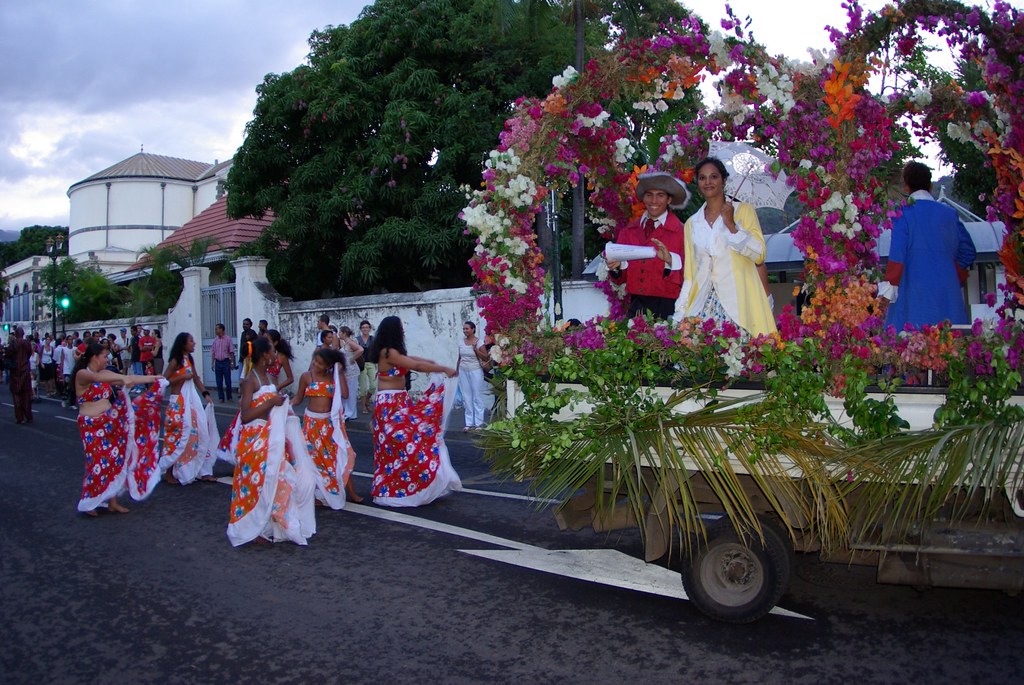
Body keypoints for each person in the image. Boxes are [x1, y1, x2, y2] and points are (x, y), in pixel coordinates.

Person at [227, 336, 317, 546]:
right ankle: (252, 528)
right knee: (256, 483)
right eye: (272, 352)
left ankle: (270, 524)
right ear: (264, 355)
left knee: (276, 480)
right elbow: (246, 415)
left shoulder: (268, 377)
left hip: (270, 437)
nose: (275, 355)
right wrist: (271, 403)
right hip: (254, 438)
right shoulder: (250, 381)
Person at [673, 156, 776, 336]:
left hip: (739, 303)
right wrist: (680, 312)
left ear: (724, 180)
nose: (708, 182)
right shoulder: (691, 223)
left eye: (714, 176)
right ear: (697, 183)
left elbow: (759, 254)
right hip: (702, 304)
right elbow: (690, 274)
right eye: (702, 178)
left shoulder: (743, 211)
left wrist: (732, 226)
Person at [369, 315, 461, 507]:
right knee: (403, 445)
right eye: (400, 327)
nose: (403, 330)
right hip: (389, 406)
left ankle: (411, 486)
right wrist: (443, 368)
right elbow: (415, 366)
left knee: (412, 441)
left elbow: (415, 360)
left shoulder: (395, 352)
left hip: (400, 402)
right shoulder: (387, 352)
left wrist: (433, 364)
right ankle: (394, 488)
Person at [879, 161, 977, 330]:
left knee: (910, 341)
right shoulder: (950, 214)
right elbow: (968, 251)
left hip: (913, 294)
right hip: (947, 294)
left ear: (906, 186)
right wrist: (951, 273)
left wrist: (887, 294)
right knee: (950, 341)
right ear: (930, 185)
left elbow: (897, 256)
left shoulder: (902, 213)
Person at [73, 341, 163, 516]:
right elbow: (97, 379)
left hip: (108, 422)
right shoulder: (82, 374)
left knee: (115, 459)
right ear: (94, 357)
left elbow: (129, 378)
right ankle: (90, 502)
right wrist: (122, 379)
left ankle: (112, 502)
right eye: (104, 356)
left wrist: (153, 378)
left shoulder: (104, 373)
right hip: (90, 426)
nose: (107, 360)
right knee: (96, 462)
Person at [606, 171, 689, 319]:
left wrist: (670, 260)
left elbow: (689, 276)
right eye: (649, 195)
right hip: (636, 306)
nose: (654, 200)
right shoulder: (629, 231)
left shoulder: (682, 232)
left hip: (669, 307)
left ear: (669, 199)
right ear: (643, 198)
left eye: (660, 195)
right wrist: (616, 267)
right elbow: (619, 279)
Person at [292, 345, 361, 506]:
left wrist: (340, 372)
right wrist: (284, 405)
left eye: (320, 363)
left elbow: (345, 394)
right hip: (311, 424)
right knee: (312, 459)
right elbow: (298, 398)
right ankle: (315, 493)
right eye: (315, 361)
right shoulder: (306, 376)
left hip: (329, 424)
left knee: (339, 455)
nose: (315, 365)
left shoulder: (333, 377)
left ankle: (351, 492)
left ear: (328, 366)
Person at [160, 332, 217, 485]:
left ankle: (198, 469)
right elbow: (164, 381)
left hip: (191, 402)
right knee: (178, 436)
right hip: (178, 402)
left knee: (199, 433)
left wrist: (205, 393)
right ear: (183, 344)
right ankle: (169, 471)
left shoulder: (189, 359)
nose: (194, 343)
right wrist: (181, 377)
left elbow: (196, 378)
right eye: (191, 341)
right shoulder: (175, 361)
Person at [456, 321, 489, 431]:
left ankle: (478, 423)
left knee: (477, 396)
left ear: (473, 329)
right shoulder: (461, 342)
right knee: (466, 396)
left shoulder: (479, 342)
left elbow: (486, 357)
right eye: (464, 329)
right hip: (463, 371)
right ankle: (469, 423)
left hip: (476, 371)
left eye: (467, 329)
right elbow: (459, 358)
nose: (465, 331)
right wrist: (456, 370)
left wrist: (475, 350)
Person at [6, 326, 33, 423]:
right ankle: (28, 416)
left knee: (16, 396)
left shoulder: (13, 344)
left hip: (15, 372)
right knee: (26, 396)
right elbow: (29, 354)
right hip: (25, 371)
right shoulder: (27, 343)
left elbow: (8, 355)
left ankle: (20, 417)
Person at [337, 326, 363, 421]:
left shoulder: (350, 342)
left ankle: (351, 413)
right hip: (346, 370)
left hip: (351, 370)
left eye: (340, 332)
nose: (339, 334)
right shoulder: (345, 343)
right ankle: (346, 411)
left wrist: (352, 359)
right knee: (346, 390)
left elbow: (360, 349)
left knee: (351, 392)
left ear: (344, 333)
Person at [211, 323, 235, 403]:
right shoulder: (215, 340)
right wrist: (212, 363)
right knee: (219, 381)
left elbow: (231, 352)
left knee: (228, 381)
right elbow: (213, 352)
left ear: (221, 329)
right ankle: (221, 397)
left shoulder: (228, 339)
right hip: (218, 362)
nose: (215, 330)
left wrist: (232, 363)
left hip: (226, 362)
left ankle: (229, 397)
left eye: (217, 329)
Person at [356, 319, 376, 413]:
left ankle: (367, 400)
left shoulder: (373, 339)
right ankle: (363, 406)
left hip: (371, 363)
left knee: (373, 385)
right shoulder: (357, 339)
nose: (365, 329)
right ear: (361, 329)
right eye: (363, 327)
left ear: (369, 328)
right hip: (361, 364)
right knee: (363, 387)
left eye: (367, 327)